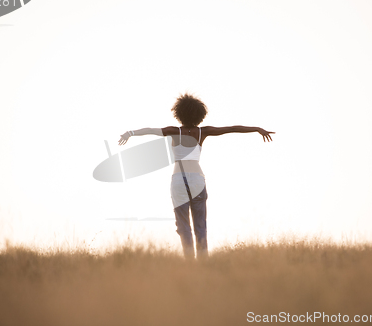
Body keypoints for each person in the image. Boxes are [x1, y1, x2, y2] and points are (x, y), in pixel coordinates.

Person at [118, 93, 275, 259]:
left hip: (179, 179)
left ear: (179, 113)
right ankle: (203, 261)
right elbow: (232, 128)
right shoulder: (203, 132)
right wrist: (257, 129)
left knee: (183, 224)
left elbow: (149, 130)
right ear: (200, 115)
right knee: (200, 223)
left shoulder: (173, 131)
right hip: (197, 179)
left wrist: (130, 133)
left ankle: (189, 261)